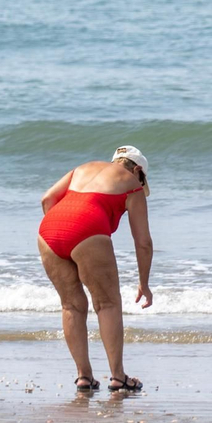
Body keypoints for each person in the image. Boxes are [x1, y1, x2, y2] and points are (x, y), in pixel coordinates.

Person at [36, 145, 153, 393]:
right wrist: (144, 283)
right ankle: (118, 377)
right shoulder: (132, 183)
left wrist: (65, 231)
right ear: (138, 170)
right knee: (107, 303)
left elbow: (47, 199)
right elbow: (143, 242)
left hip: (49, 231)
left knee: (71, 305)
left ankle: (84, 377)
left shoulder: (84, 168)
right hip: (87, 228)